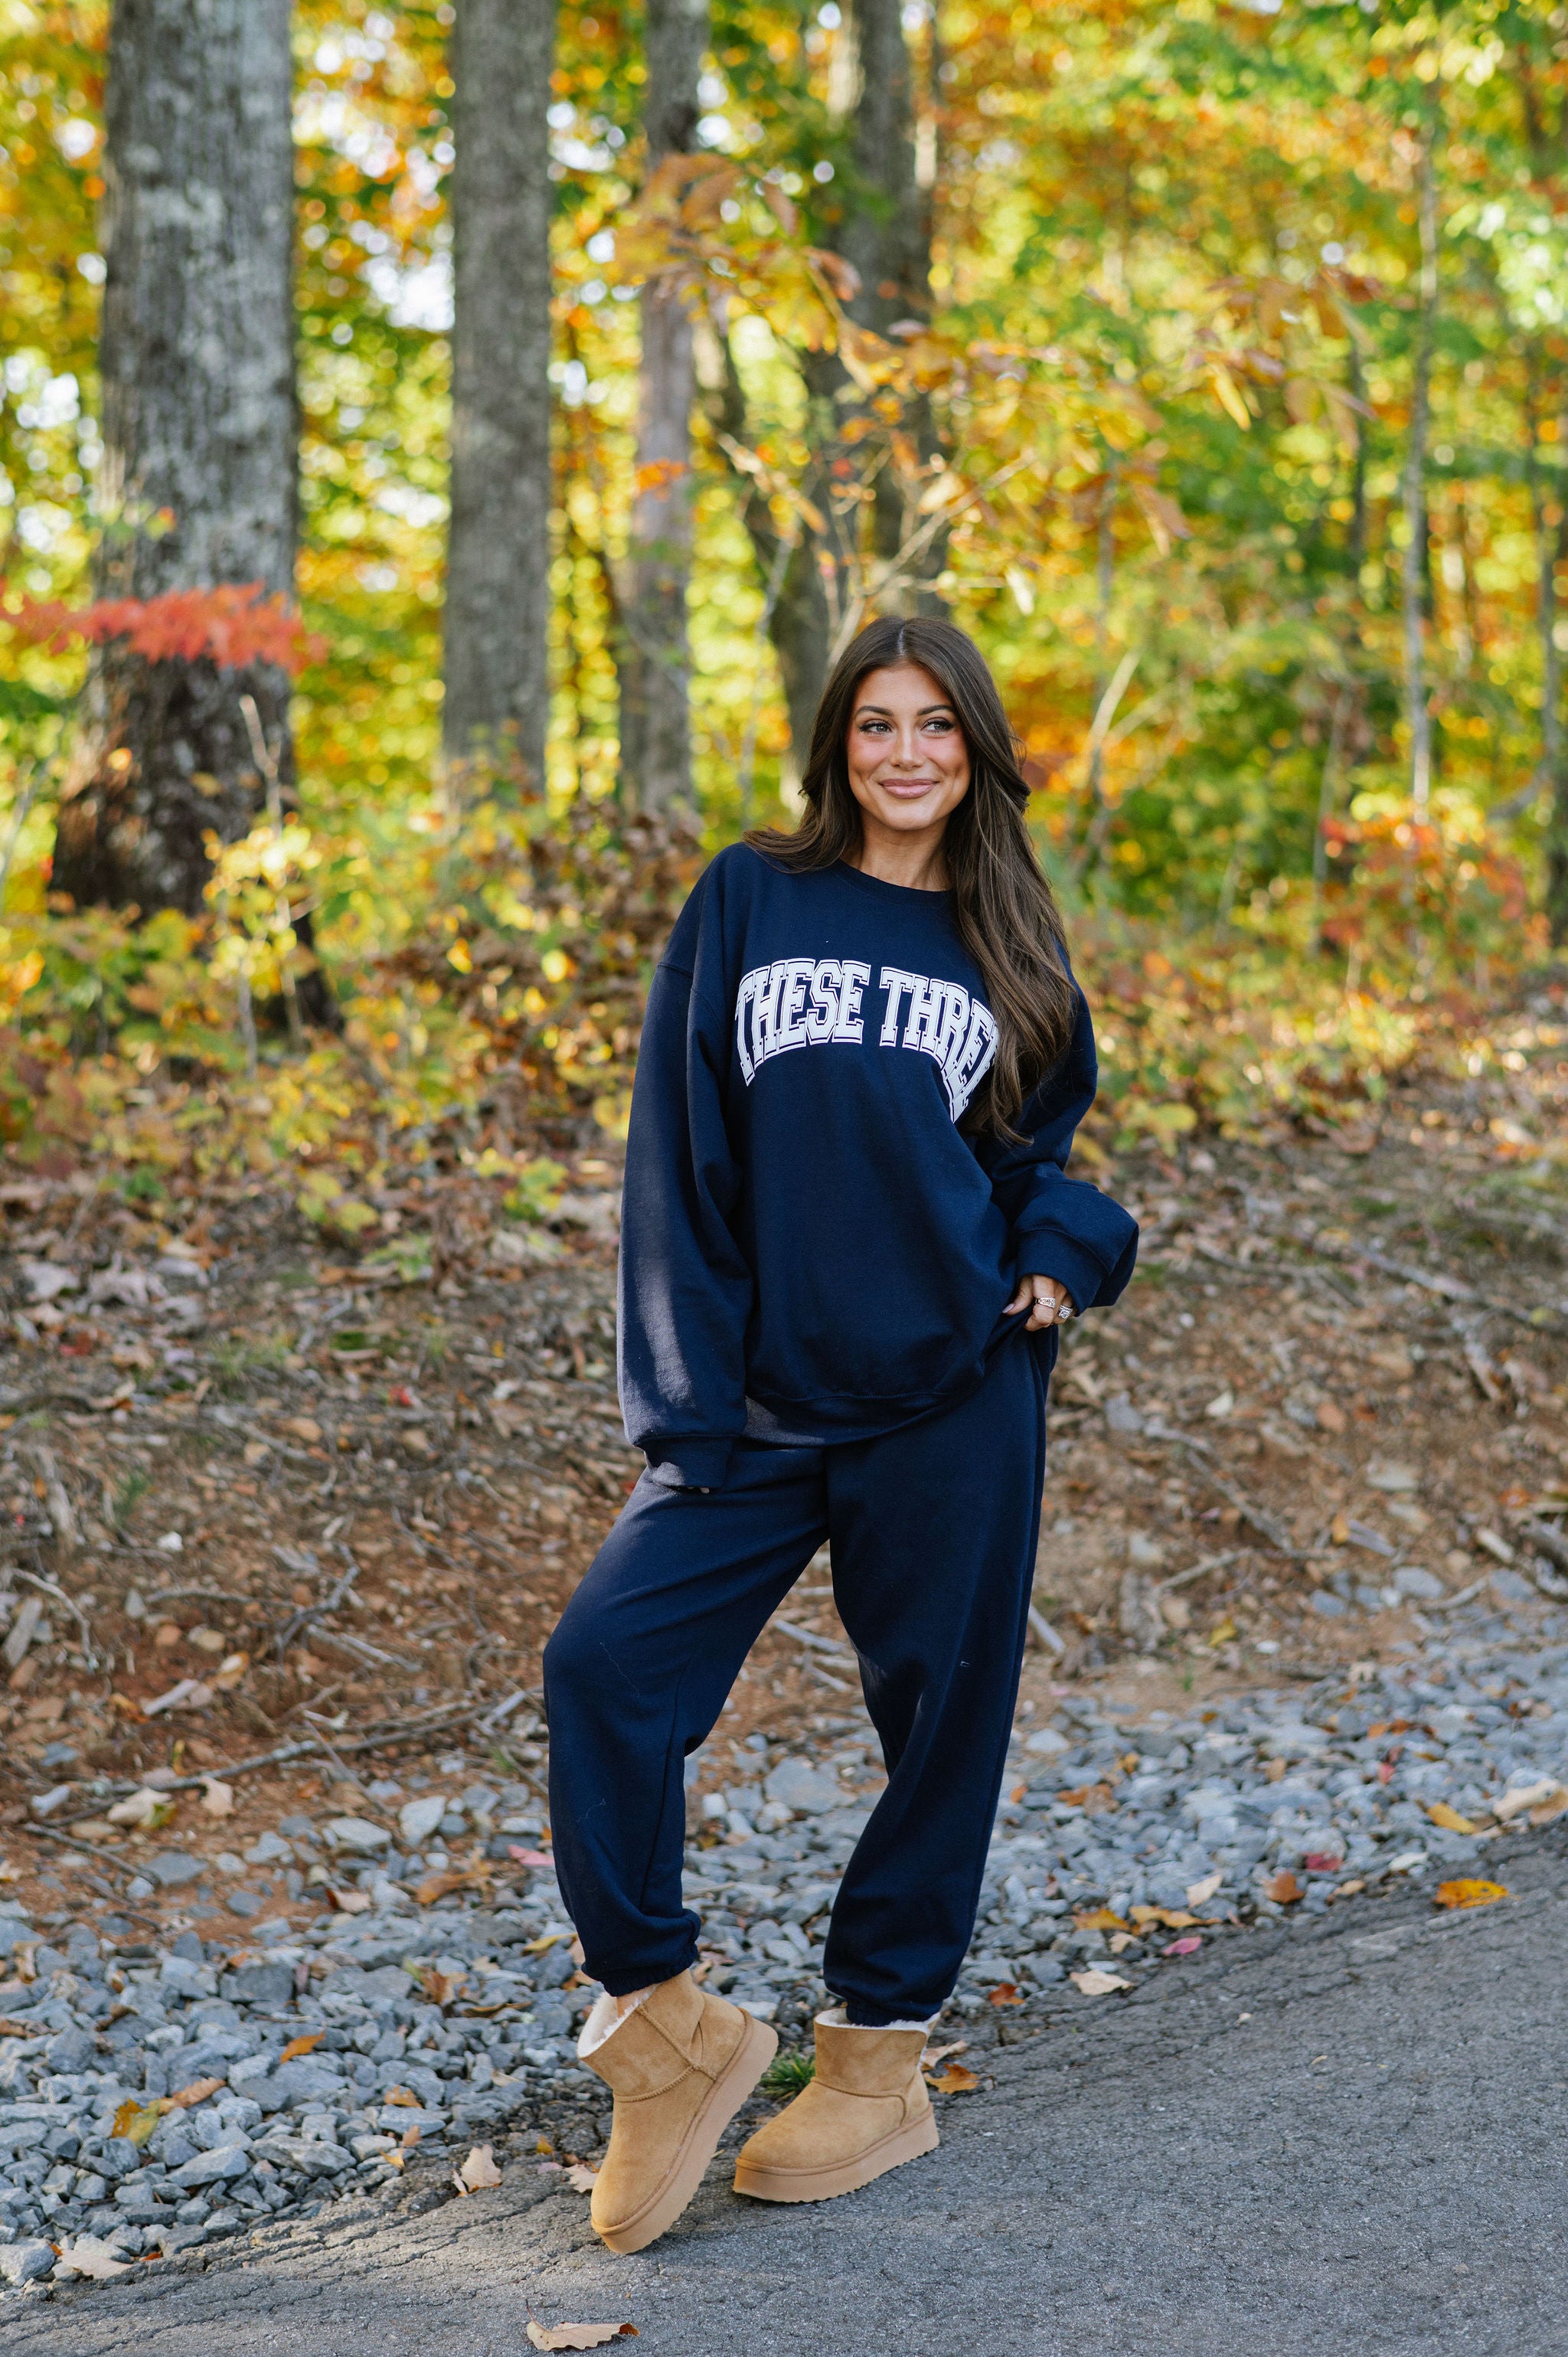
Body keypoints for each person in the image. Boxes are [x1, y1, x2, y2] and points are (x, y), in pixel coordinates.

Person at [544, 614, 1137, 2254]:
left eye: (936, 727)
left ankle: (877, 2057)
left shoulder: (1005, 939)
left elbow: (1042, 1159)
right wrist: (684, 1398)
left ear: (976, 752)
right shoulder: (750, 895)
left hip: (951, 1395)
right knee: (603, 1667)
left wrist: (1057, 1262)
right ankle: (663, 2031)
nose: (904, 755)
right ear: (837, 741)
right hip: (755, 1407)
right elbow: (678, 1156)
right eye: (876, 724)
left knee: (939, 1718)